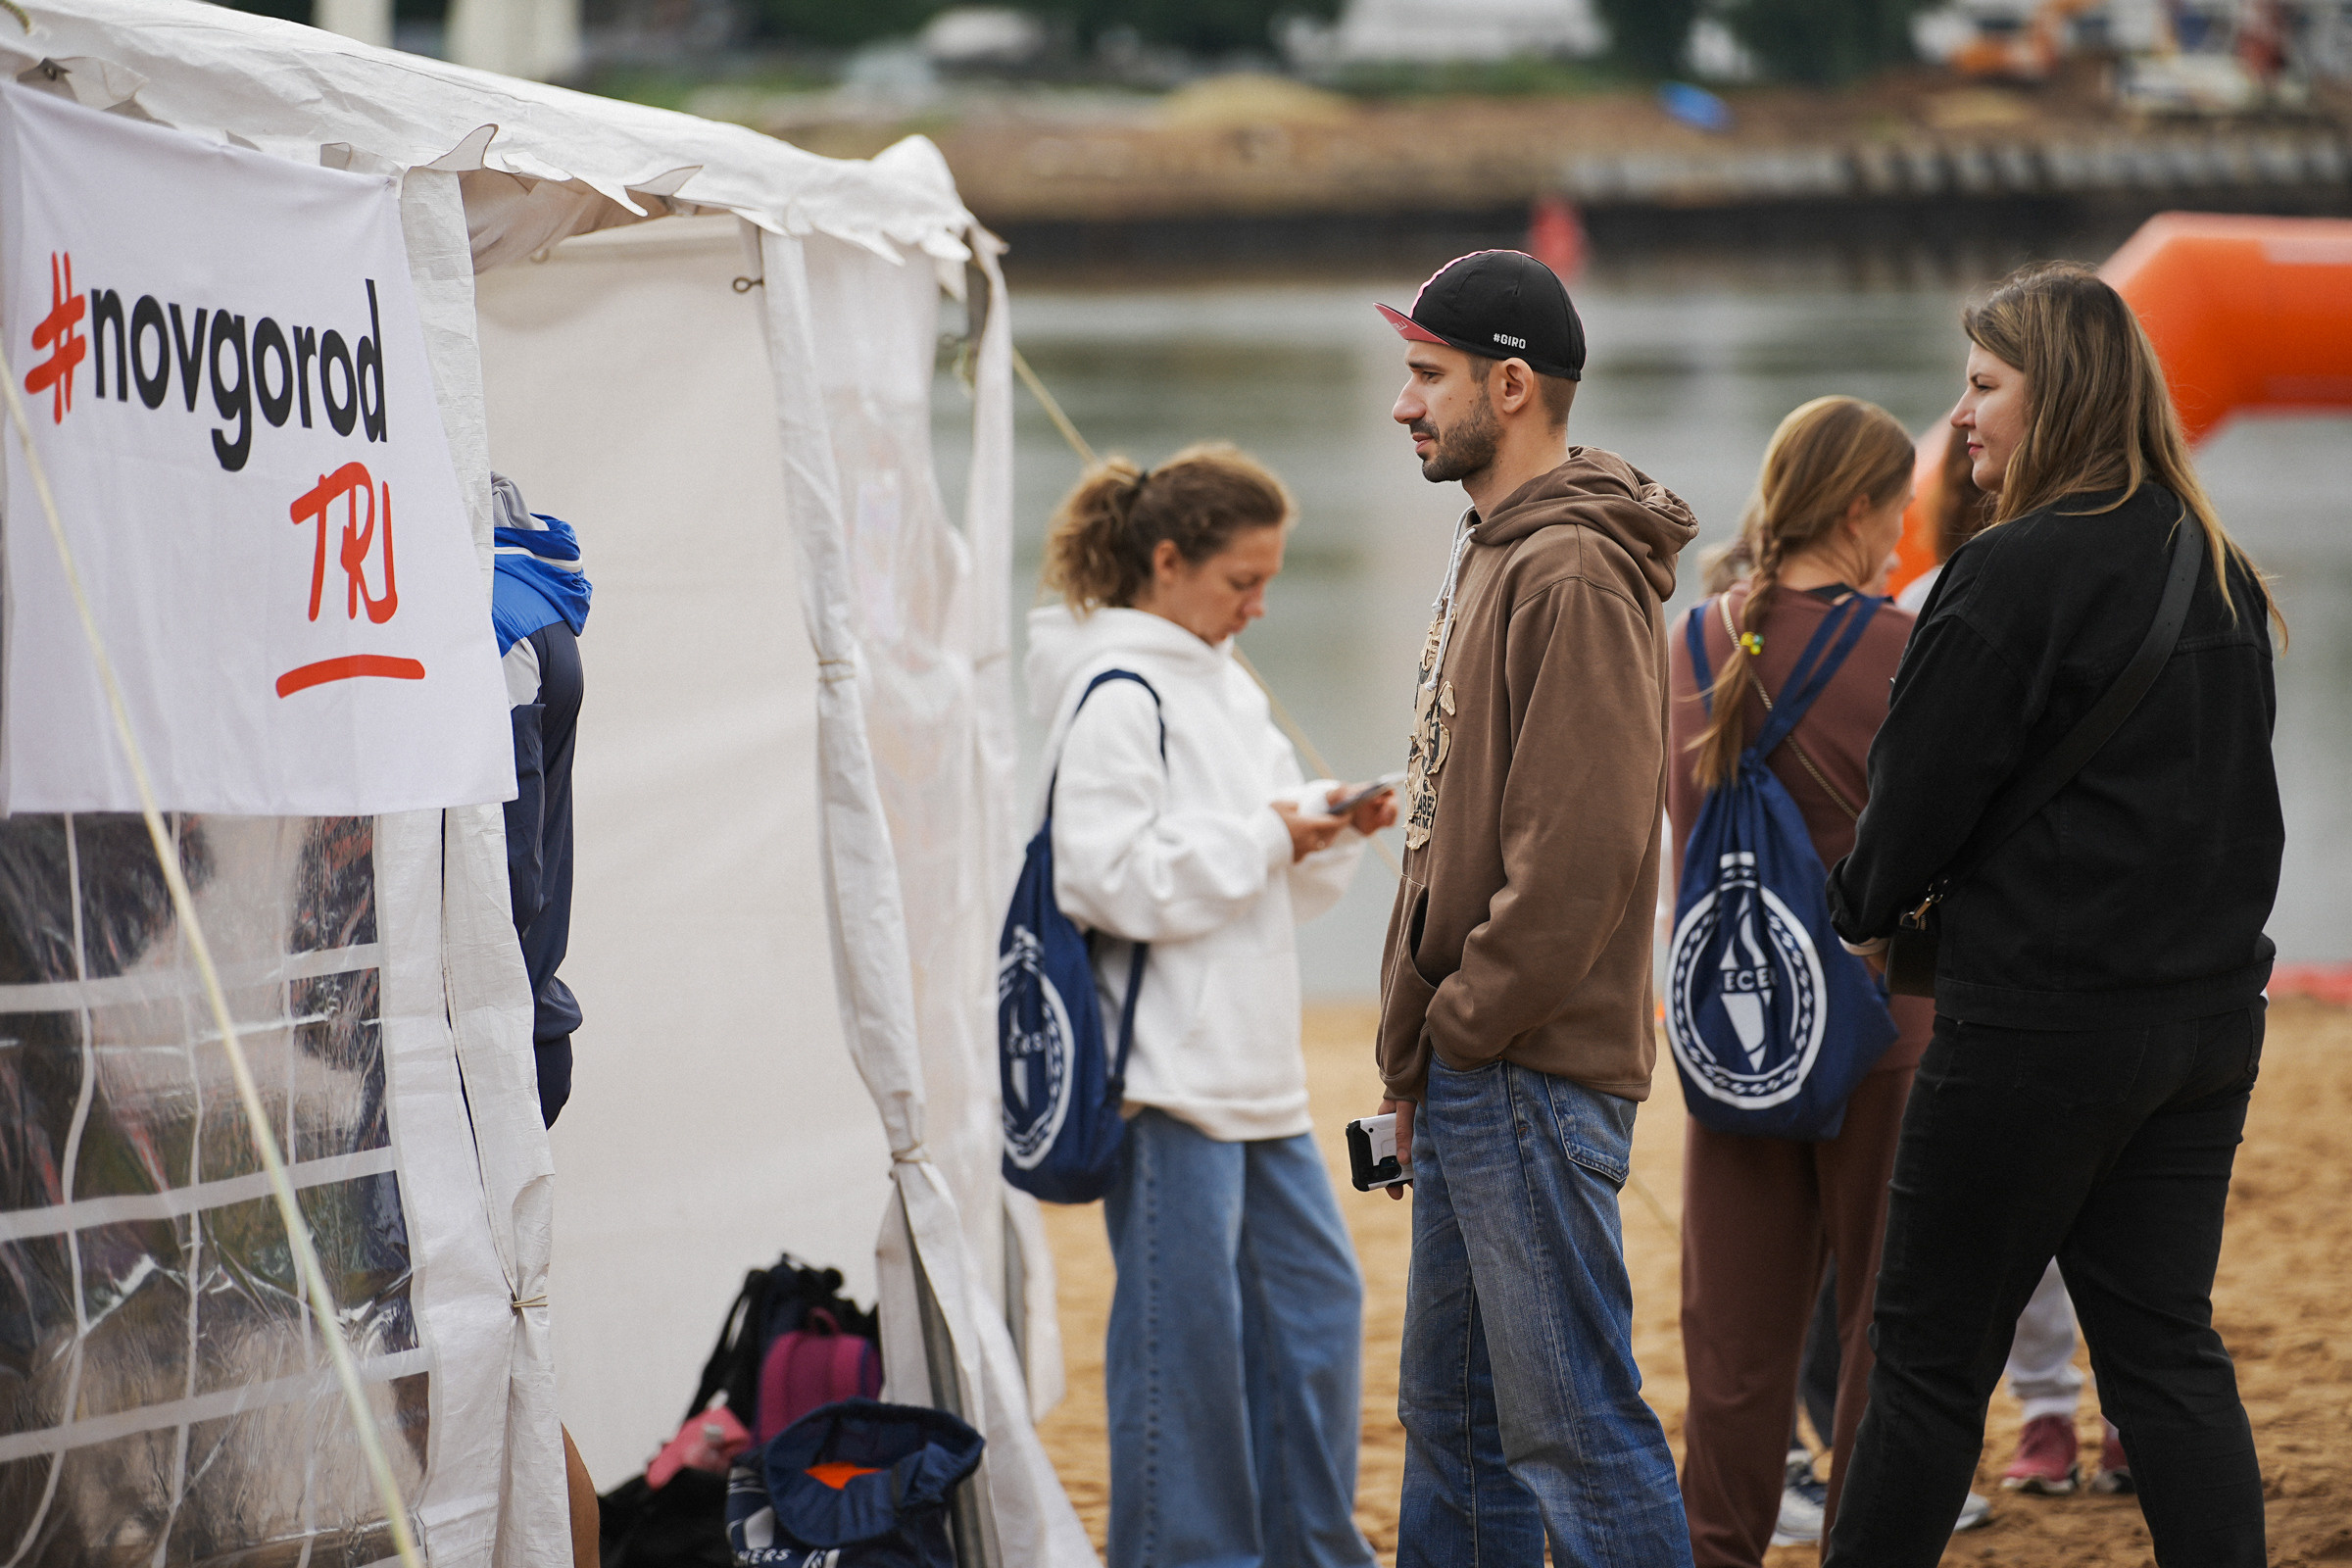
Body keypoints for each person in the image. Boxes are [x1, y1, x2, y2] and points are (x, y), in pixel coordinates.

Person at [1823, 262, 2284, 1568]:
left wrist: (1863, 907)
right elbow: (2248, 816)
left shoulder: (2007, 573)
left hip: (2038, 1028)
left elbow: (1910, 804)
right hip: (2201, 1029)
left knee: (1919, 1365)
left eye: (1982, 386)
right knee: (2166, 1358)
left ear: (2059, 394)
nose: (1961, 417)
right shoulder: (2220, 568)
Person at [1368, 249, 1697, 1566]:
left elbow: (1584, 850)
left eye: (1425, 376)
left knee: (1570, 1429)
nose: (1403, 405)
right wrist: (1415, 1054)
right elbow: (1446, 833)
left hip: (1527, 1072)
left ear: (1511, 387)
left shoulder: (1569, 570)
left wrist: (1468, 1024)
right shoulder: (1493, 548)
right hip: (1471, 1073)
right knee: (1452, 1428)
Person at [1027, 442, 1395, 1568]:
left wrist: (1322, 820)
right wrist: (1270, 833)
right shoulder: (1113, 687)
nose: (1260, 604)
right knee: (1180, 1359)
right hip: (1165, 1079)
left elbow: (1258, 839)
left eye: (1270, 579)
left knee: (1314, 1321)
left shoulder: (1220, 679)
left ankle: (1309, 1552)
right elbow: (1100, 873)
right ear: (1169, 561)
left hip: (1255, 1070)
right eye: (1243, 580)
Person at [1665, 396, 1932, 1567]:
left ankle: (1717, 1548)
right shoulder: (1905, 649)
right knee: (1884, 1322)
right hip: (1883, 1023)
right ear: (1862, 507)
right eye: (1902, 508)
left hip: (1736, 1028)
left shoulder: (1683, 642)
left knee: (1732, 1340)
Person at [488, 471, 598, 1566]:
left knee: (496, 1379)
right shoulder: (529, 598)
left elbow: (500, 889)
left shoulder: (493, 630)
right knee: (506, 1368)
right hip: (521, 1028)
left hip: (489, 1041)